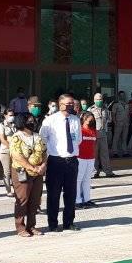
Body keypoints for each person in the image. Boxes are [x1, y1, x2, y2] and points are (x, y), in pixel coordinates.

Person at [40, 93, 82, 232]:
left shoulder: (76, 119)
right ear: (60, 104)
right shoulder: (50, 120)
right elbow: (42, 140)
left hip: (72, 160)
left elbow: (79, 139)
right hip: (56, 161)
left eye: (72, 103)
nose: (71, 106)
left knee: (71, 193)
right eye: (68, 104)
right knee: (54, 194)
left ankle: (68, 222)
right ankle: (52, 224)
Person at [10, 111, 48, 236]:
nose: (32, 123)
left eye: (33, 121)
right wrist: (32, 167)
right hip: (22, 171)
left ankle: (31, 226)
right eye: (29, 121)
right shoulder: (17, 137)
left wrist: (43, 165)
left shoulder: (38, 136)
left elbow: (44, 152)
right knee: (23, 199)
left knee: (35, 199)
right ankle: (20, 227)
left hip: (37, 172)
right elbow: (17, 156)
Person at [89, 93, 115, 178]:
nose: (99, 101)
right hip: (94, 134)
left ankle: (108, 171)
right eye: (97, 99)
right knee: (94, 154)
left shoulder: (105, 109)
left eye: (100, 99)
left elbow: (109, 120)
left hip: (103, 134)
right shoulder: (90, 110)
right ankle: (95, 172)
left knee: (105, 154)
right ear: (94, 100)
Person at [0, 104, 19, 197]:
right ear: (5, 116)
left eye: (13, 115)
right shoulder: (1, 125)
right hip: (5, 151)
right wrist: (11, 147)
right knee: (7, 171)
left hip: (15, 151)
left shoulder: (15, 125)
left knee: (15, 170)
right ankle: (8, 190)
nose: (12, 117)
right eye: (10, 115)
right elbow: (2, 140)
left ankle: (16, 189)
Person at [76, 112, 97, 208]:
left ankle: (87, 199)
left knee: (87, 180)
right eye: (89, 118)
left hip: (90, 158)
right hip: (80, 158)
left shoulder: (93, 131)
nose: (91, 120)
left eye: (92, 118)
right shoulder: (79, 130)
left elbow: (94, 144)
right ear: (83, 119)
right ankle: (77, 200)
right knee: (78, 180)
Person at [111, 92, 130, 157]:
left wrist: (128, 121)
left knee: (124, 138)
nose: (123, 97)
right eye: (121, 95)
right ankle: (115, 152)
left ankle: (125, 152)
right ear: (119, 96)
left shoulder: (127, 104)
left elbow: (128, 114)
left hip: (126, 123)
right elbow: (113, 114)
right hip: (118, 123)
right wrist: (115, 122)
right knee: (116, 138)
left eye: (123, 95)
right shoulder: (116, 104)